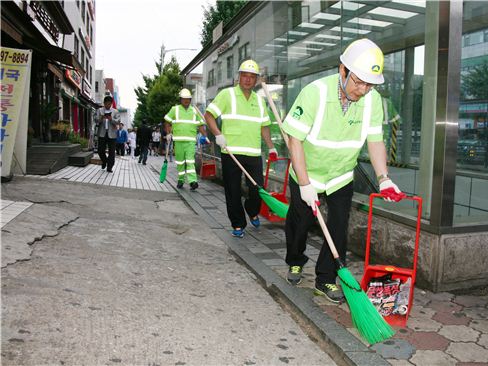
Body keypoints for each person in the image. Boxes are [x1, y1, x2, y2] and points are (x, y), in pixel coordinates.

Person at [281, 39, 405, 303]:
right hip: (307, 173)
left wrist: (384, 179)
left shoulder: (372, 101)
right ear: (343, 70)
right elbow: (295, 140)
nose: (363, 90)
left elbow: (375, 141)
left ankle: (325, 279)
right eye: (358, 81)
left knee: (338, 228)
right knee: (300, 222)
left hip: (340, 175)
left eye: (369, 84)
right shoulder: (315, 93)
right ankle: (295, 260)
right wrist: (304, 184)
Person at [205, 59, 277, 238]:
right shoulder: (227, 95)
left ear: (256, 80)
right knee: (233, 191)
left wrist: (272, 147)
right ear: (239, 77)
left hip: (253, 153)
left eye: (252, 77)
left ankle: (251, 209)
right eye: (245, 75)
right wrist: (218, 134)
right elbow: (209, 115)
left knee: (257, 189)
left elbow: (264, 126)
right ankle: (238, 223)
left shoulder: (260, 101)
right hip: (231, 153)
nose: (248, 79)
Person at [164, 88, 209, 190]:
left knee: (190, 161)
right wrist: (168, 133)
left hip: (190, 141)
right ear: (180, 99)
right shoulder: (174, 109)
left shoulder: (194, 111)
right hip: (178, 141)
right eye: (184, 99)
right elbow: (167, 121)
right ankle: (180, 179)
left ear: (190, 99)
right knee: (180, 162)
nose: (186, 101)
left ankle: (193, 181)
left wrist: (205, 136)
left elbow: (201, 125)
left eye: (188, 99)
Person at [95, 95, 120, 172]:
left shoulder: (115, 111)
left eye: (109, 104)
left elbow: (118, 121)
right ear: (104, 103)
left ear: (111, 104)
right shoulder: (99, 110)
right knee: (100, 150)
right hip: (102, 133)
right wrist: (101, 118)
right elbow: (95, 120)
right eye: (106, 104)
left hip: (112, 134)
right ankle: (105, 161)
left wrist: (111, 119)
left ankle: (110, 167)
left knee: (112, 152)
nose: (108, 105)